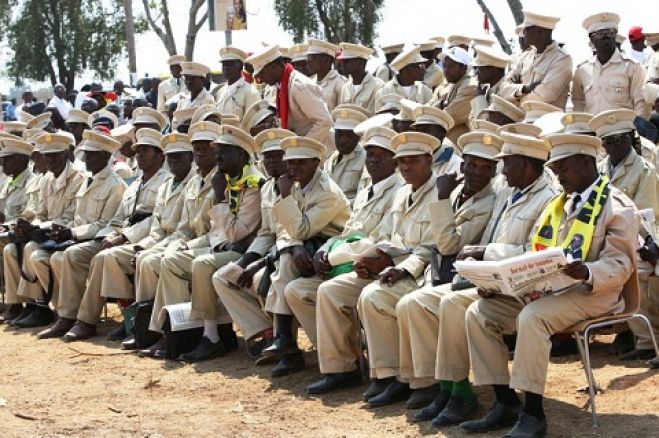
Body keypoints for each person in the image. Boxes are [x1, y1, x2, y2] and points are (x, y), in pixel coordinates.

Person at [462, 133, 638, 438]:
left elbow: (620, 267)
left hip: (594, 293)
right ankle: (505, 402)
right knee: (481, 312)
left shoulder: (616, 205)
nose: (557, 175)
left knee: (533, 317)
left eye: (564, 168)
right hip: (551, 289)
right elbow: (535, 252)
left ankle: (533, 414)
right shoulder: (559, 204)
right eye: (555, 169)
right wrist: (506, 281)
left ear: (586, 162)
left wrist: (586, 271)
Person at [417, 132, 558, 427]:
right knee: (435, 302)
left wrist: (486, 253)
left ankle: (476, 396)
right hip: (494, 281)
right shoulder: (509, 191)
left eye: (507, 164)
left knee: (455, 304)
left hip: (522, 288)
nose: (502, 171)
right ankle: (458, 389)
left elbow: (537, 253)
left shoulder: (548, 199)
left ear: (527, 165)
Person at [283, 126, 403, 389]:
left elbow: (377, 241)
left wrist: (333, 257)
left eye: (380, 155)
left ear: (395, 160)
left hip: (371, 265)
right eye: (370, 154)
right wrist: (326, 248)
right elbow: (348, 232)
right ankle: (339, 353)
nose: (372, 160)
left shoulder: (398, 191)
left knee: (330, 290)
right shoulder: (366, 190)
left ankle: (341, 368)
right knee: (296, 290)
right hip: (346, 261)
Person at [390, 131, 499, 410]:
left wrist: (440, 196)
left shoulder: (487, 202)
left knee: (417, 303)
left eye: (486, 168)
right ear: (462, 166)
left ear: (495, 172)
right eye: (472, 165)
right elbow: (430, 243)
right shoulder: (456, 194)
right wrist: (407, 267)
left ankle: (456, 390)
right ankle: (434, 385)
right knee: (408, 304)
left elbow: (449, 245)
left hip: (466, 277)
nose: (477, 173)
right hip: (437, 272)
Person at [257, 135, 351, 377]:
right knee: (281, 268)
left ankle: (286, 340)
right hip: (307, 247)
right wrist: (295, 245)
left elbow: (300, 228)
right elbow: (283, 227)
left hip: (333, 252)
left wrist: (285, 197)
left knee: (286, 267)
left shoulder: (326, 191)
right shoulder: (296, 185)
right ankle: (286, 345)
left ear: (316, 163)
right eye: (291, 163)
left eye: (301, 163)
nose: (293, 168)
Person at [175, 126, 265, 362]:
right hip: (225, 247)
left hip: (250, 252)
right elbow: (217, 232)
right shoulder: (226, 179)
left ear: (242, 155)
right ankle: (174, 332)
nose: (217, 157)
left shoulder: (252, 184)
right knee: (171, 260)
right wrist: (221, 244)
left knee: (203, 265)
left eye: (224, 151)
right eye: (217, 151)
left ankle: (211, 336)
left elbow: (237, 233)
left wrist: (218, 197)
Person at [134, 122, 221, 356]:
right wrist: (175, 245)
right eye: (197, 149)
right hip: (191, 244)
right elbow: (183, 228)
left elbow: (216, 233)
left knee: (167, 261)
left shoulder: (221, 181)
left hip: (211, 246)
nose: (200, 153)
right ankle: (153, 331)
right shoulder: (194, 182)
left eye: (206, 148)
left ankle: (174, 334)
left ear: (217, 151)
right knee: (150, 259)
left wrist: (181, 247)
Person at [33, 131, 127, 339]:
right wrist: (64, 232)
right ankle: (65, 315)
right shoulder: (89, 180)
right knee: (54, 256)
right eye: (86, 154)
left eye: (92, 154)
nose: (86, 158)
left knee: (71, 255)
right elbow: (76, 217)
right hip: (77, 238)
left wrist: (73, 233)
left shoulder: (115, 184)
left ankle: (83, 320)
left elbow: (105, 224)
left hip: (99, 240)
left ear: (105, 156)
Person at [213, 128, 293, 362]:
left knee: (262, 278)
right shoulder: (269, 186)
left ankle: (287, 345)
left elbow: (295, 232)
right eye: (267, 156)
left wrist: (259, 262)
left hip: (290, 253)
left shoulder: (293, 186)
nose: (272, 161)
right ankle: (264, 332)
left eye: (278, 156)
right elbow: (267, 232)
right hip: (267, 251)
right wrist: (246, 260)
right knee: (224, 276)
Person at [589, 109, 658, 360]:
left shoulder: (644, 170)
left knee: (637, 269)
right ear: (604, 145)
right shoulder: (598, 171)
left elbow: (644, 216)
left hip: (640, 236)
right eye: (610, 141)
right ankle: (626, 332)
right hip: (604, 236)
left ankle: (646, 340)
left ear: (631, 138)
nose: (617, 145)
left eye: (622, 139)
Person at [3, 132, 86, 328]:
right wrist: (31, 225)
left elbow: (72, 218)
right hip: (48, 233)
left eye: (55, 155)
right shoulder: (47, 179)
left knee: (32, 249)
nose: (50, 160)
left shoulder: (78, 178)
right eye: (47, 155)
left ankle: (41, 307)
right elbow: (41, 213)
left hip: (69, 233)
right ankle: (33, 305)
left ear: (66, 154)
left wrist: (38, 226)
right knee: (15, 247)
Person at [246, 45, 333, 144]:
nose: (261, 80)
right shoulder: (282, 85)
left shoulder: (299, 86)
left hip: (319, 150)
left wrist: (303, 147)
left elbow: (324, 122)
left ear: (273, 67)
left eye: (261, 75)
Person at [572, 13, 648, 119]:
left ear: (615, 36)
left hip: (623, 131)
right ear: (591, 39)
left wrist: (639, 128)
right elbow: (578, 100)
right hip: (592, 132)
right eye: (600, 34)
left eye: (610, 33)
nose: (606, 37)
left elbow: (641, 103)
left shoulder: (632, 67)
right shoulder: (582, 70)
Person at [499, 10, 573, 110]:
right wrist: (525, 88)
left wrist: (515, 99)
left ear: (539, 32)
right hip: (522, 121)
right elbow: (503, 87)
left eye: (526, 29)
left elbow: (544, 96)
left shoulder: (562, 59)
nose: (523, 32)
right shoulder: (525, 57)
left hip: (548, 122)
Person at [324, 105, 369, 204]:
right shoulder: (331, 158)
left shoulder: (366, 159)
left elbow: (363, 199)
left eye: (349, 135)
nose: (343, 140)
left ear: (358, 137)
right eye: (339, 134)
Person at [409, 105, 462, 176]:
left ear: (441, 134)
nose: (420, 135)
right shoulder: (408, 161)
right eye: (417, 131)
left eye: (425, 130)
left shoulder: (455, 164)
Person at [215, 46, 260, 120]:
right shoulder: (220, 92)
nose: (225, 68)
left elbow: (254, 122)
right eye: (224, 64)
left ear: (240, 66)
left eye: (230, 64)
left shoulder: (251, 92)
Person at [338, 43, 383, 115]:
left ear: (361, 63)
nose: (343, 64)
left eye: (347, 61)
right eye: (342, 61)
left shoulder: (377, 86)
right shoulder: (345, 87)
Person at [470, 46, 511, 120]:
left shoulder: (506, 90)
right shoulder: (487, 89)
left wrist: (479, 97)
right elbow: (471, 119)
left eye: (479, 69)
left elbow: (486, 123)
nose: (476, 73)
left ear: (493, 70)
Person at [306, 38, 347, 111]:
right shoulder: (310, 82)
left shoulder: (340, 83)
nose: (309, 60)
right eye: (308, 56)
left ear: (327, 60)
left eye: (314, 57)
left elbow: (343, 114)